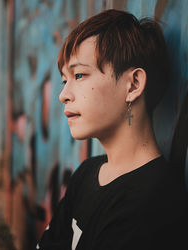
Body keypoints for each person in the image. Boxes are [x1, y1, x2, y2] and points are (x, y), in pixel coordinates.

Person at [36, 9, 188, 250]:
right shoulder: (86, 174)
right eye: (65, 80)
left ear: (133, 85)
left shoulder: (152, 202)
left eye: (79, 75)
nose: (63, 95)